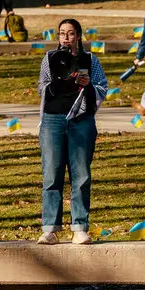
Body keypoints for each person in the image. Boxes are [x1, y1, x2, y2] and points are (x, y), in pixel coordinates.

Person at [37, 18, 106, 245]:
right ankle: (50, 228)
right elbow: (42, 87)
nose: (66, 37)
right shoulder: (49, 58)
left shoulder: (90, 59)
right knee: (51, 173)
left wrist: (88, 85)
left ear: (78, 36)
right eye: (62, 33)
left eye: (70, 33)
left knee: (81, 174)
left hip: (81, 121)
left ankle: (79, 227)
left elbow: (102, 87)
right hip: (53, 120)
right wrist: (58, 84)